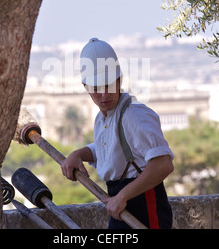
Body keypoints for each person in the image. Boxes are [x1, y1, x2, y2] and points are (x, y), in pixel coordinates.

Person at [61, 38, 174, 229]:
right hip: (118, 205)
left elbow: (163, 165)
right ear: (86, 88)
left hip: (145, 207)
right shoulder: (102, 118)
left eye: (109, 85)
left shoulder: (135, 115)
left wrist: (123, 196)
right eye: (96, 88)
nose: (104, 95)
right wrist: (78, 154)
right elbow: (111, 148)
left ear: (119, 80)